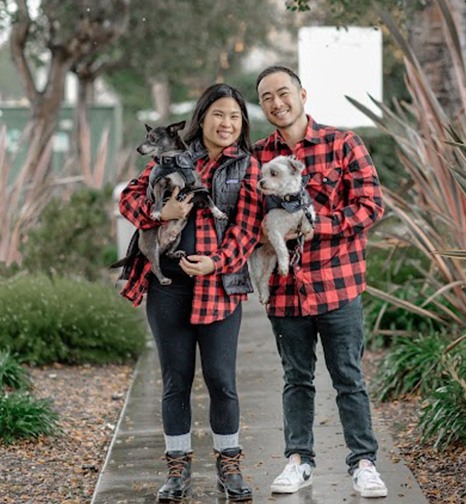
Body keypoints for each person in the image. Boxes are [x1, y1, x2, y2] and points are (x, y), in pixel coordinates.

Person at [118, 83, 262, 502]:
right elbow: (129, 198)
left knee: (222, 381)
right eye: (219, 114)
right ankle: (177, 469)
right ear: (202, 117)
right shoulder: (175, 155)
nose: (227, 123)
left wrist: (217, 261)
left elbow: (248, 227)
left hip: (219, 287)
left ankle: (229, 464)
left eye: (235, 117)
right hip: (169, 289)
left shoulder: (247, 167)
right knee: (175, 381)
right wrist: (160, 212)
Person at [253, 65, 388, 499]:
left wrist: (313, 226)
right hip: (285, 293)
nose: (276, 103)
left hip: (337, 284)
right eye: (266, 97)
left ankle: (364, 463)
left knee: (348, 377)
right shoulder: (256, 156)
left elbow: (371, 206)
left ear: (302, 94)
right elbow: (244, 219)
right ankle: (298, 461)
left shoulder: (343, 143)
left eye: (283, 93)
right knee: (296, 378)